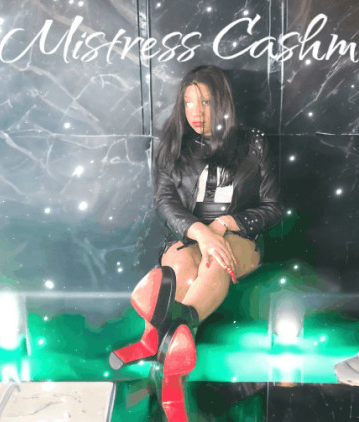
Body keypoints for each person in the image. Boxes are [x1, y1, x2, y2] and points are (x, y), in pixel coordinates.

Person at [109, 65, 283, 421]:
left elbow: (273, 207)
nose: (196, 112)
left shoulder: (252, 143)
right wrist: (200, 232)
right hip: (187, 237)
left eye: (205, 102)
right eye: (188, 102)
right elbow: (164, 202)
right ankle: (171, 345)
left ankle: (164, 333)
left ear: (222, 102)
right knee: (179, 270)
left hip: (239, 239)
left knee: (216, 258)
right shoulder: (174, 142)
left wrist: (223, 225)